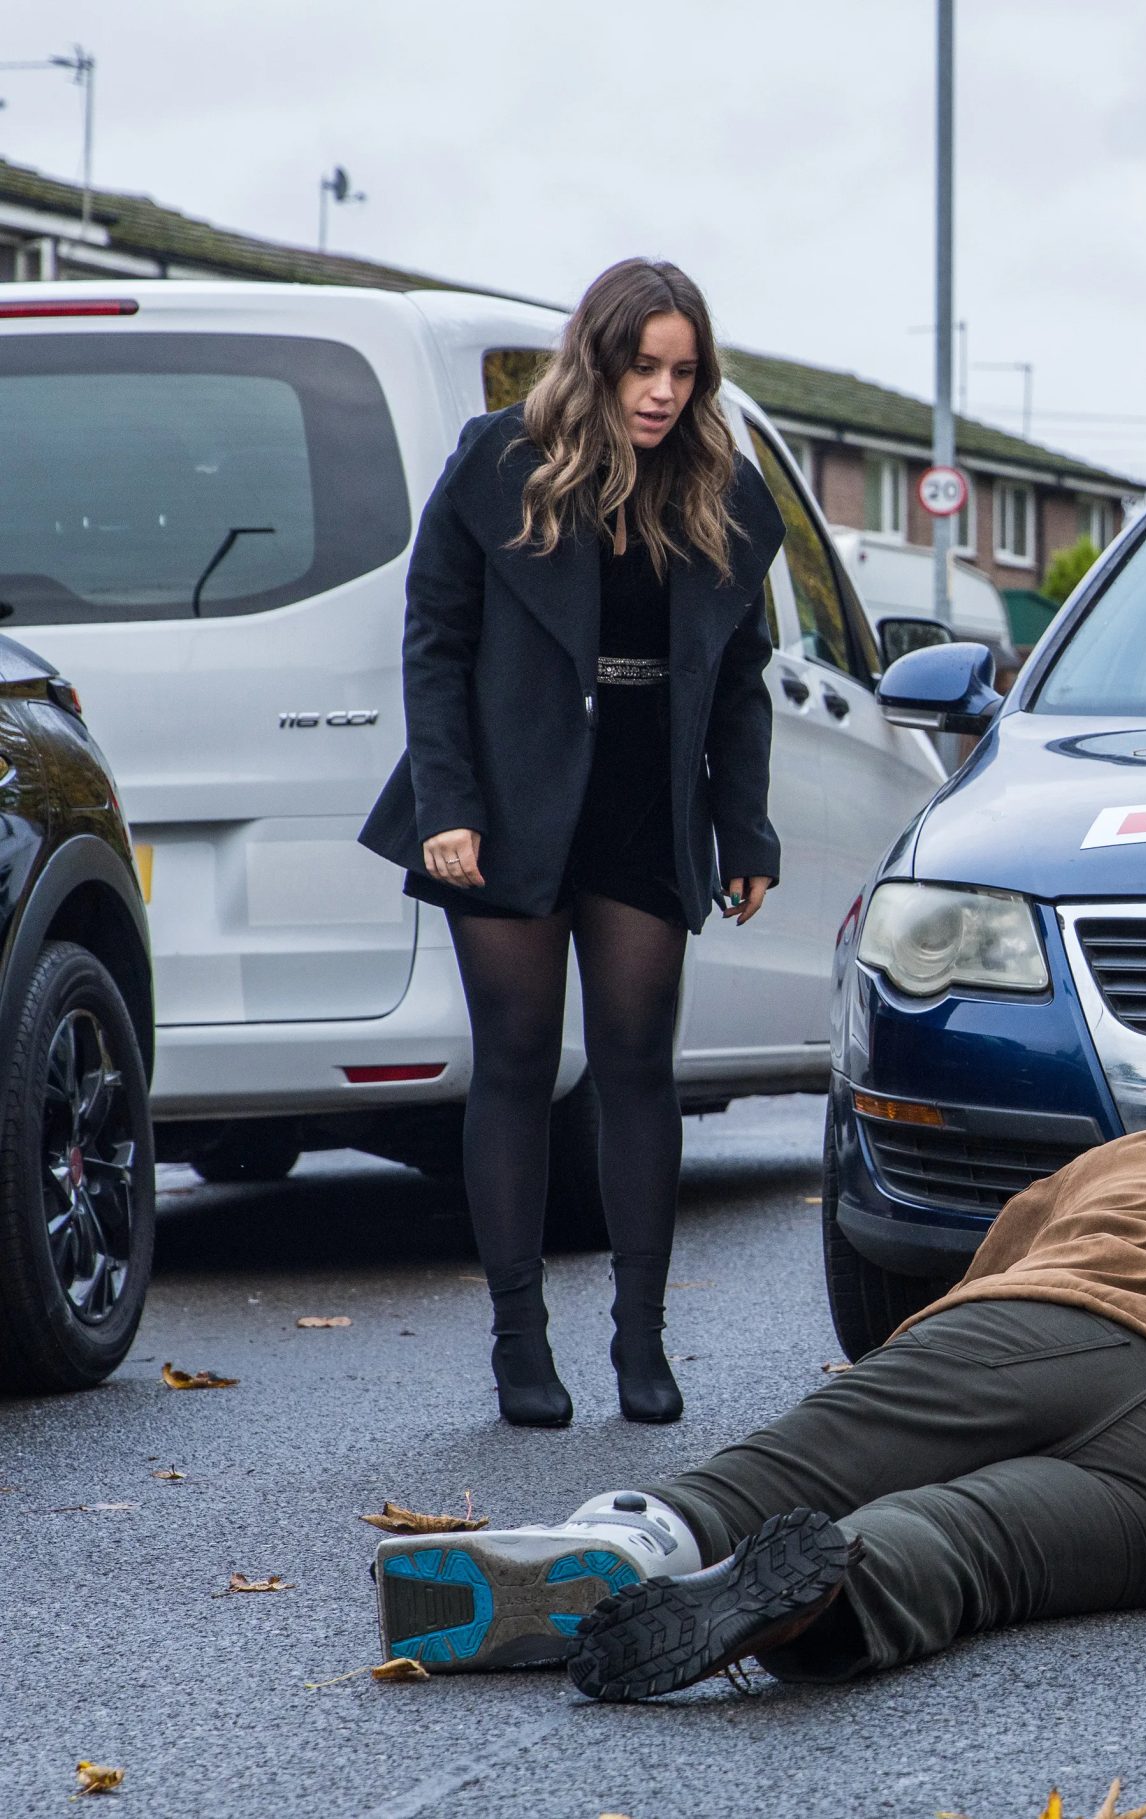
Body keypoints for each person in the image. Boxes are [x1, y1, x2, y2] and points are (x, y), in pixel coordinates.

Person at [367, 1089, 1146, 1701]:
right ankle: (826, 1602)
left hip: (1047, 1324)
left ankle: (635, 1539)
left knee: (801, 1462)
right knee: (970, 1546)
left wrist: (947, 1377)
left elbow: (1006, 1254)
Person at [358, 259, 786, 1428]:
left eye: (683, 371)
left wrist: (743, 827)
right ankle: (518, 1341)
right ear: (593, 357)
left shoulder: (725, 491)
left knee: (640, 1066)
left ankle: (640, 1342)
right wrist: (448, 803)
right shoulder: (500, 462)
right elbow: (434, 641)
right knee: (515, 1061)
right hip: (505, 795)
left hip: (646, 797)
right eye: (642, 366)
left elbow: (741, 680)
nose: (661, 392)